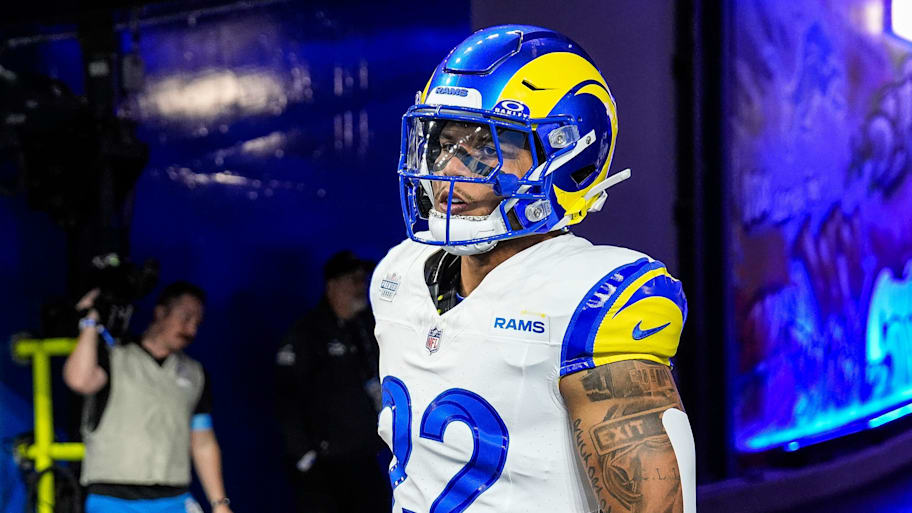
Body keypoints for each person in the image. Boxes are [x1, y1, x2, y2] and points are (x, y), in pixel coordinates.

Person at [369, 25, 696, 513]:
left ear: (569, 159)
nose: (449, 170)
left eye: (484, 149)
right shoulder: (397, 277)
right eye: (443, 142)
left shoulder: (592, 301)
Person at [63, 282, 233, 513]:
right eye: (185, 318)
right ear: (161, 312)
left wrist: (219, 503)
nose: (190, 329)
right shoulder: (115, 357)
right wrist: (91, 321)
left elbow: (202, 442)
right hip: (113, 498)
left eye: (197, 323)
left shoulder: (195, 374)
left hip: (173, 498)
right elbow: (79, 380)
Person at [275, 251, 390, 513]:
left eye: (363, 280)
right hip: (323, 466)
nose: (361, 287)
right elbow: (286, 398)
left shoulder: (368, 327)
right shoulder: (307, 333)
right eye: (354, 280)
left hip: (364, 457)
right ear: (332, 286)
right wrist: (305, 457)